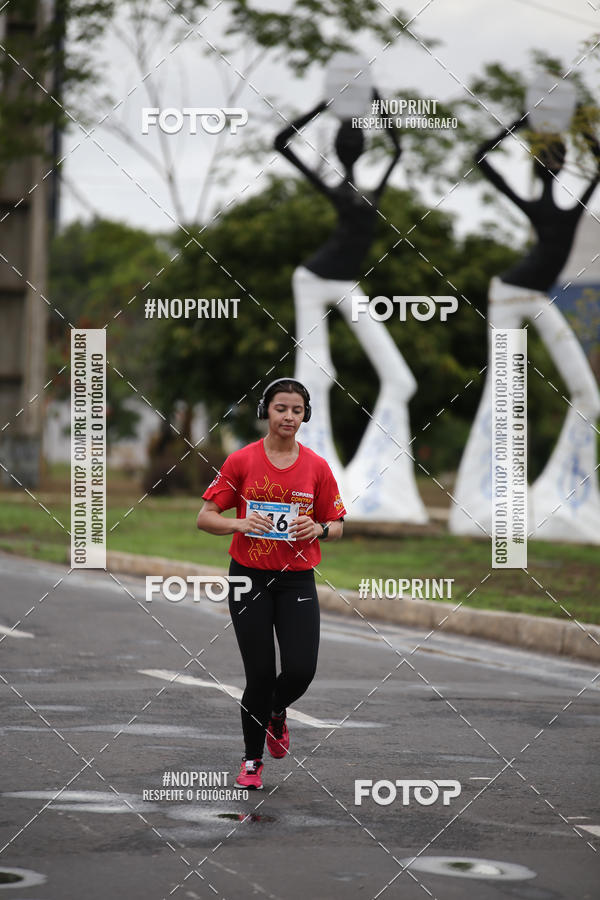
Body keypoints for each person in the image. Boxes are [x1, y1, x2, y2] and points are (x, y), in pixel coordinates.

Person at [274, 96, 427, 523]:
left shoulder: (373, 187)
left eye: (358, 137)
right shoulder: (337, 187)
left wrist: (374, 101)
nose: (355, 144)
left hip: (344, 283)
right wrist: (322, 106)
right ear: (341, 149)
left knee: (400, 378)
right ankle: (307, 486)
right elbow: (281, 141)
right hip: (312, 279)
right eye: (349, 139)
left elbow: (397, 148)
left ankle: (376, 490)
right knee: (314, 376)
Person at [450, 112, 600, 541]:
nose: (554, 162)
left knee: (588, 396)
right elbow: (481, 158)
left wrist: (575, 124)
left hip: (534, 297)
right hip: (507, 296)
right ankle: (489, 503)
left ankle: (566, 499)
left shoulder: (574, 202)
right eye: (547, 157)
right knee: (505, 395)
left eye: (559, 156)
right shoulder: (534, 203)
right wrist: (519, 123)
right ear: (540, 165)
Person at [196, 378, 346, 789]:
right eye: (281, 408)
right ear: (267, 411)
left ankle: (276, 713)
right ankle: (251, 761)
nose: (289, 417)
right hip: (249, 577)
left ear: (305, 416)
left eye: (297, 410)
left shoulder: (316, 467)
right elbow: (204, 517)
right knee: (260, 675)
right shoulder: (241, 461)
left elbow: (338, 525)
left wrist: (317, 528)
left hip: (296, 579)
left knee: (300, 670)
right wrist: (239, 522)